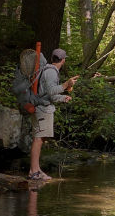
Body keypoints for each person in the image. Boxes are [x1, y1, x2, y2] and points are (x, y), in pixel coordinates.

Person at [28, 48, 79, 180]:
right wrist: (66, 84)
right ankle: (33, 172)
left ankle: (36, 169)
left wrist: (62, 98)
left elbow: (48, 94)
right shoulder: (51, 72)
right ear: (63, 60)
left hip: (42, 107)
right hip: (42, 109)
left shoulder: (49, 70)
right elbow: (51, 91)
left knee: (40, 138)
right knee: (38, 139)